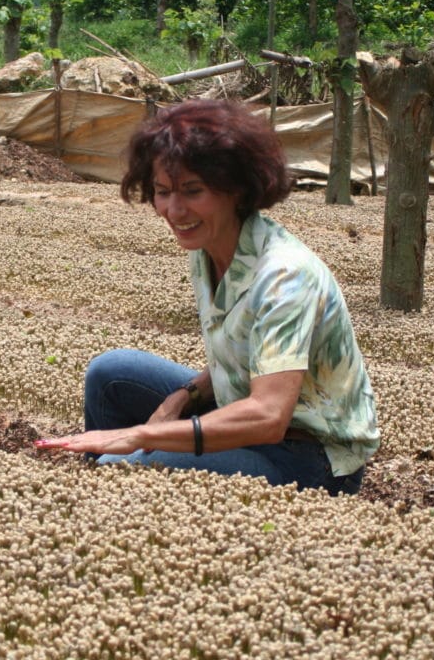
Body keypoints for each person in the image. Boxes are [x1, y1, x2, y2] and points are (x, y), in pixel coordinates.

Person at [34, 99, 378, 494]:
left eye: (192, 191)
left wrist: (143, 437)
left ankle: (114, 485)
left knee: (120, 463)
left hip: (306, 457)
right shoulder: (209, 248)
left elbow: (268, 416)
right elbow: (244, 360)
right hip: (242, 419)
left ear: (236, 188)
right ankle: (108, 498)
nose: (174, 210)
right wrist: (182, 398)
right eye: (162, 192)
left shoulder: (285, 276)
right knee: (110, 372)